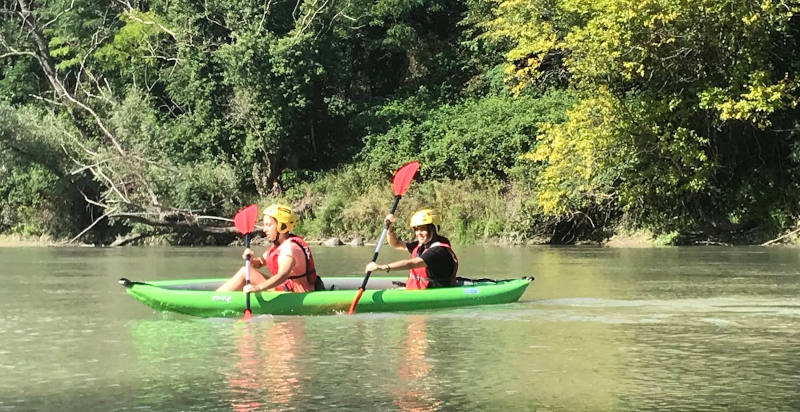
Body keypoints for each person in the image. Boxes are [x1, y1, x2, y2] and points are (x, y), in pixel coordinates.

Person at [217, 204, 322, 293]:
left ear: (282, 226)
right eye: (264, 225)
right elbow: (259, 263)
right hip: (286, 289)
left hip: (296, 294)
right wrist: (251, 259)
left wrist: (258, 288)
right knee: (246, 270)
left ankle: (215, 299)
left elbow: (282, 276)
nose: (264, 229)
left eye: (268, 225)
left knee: (245, 272)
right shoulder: (278, 245)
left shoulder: (289, 249)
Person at [365, 209, 458, 289]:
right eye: (416, 229)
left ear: (433, 229)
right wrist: (389, 229)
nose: (418, 233)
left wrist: (382, 267)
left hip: (435, 290)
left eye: (422, 229)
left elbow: (412, 263)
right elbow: (395, 244)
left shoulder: (438, 250)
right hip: (419, 288)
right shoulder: (420, 245)